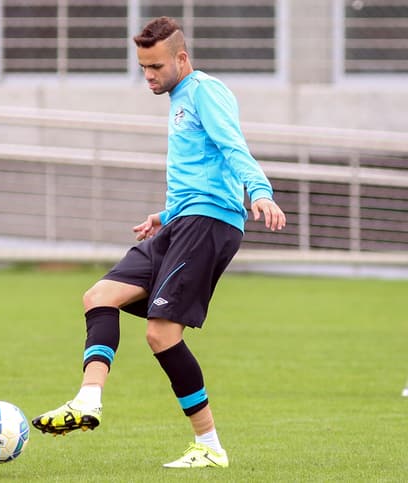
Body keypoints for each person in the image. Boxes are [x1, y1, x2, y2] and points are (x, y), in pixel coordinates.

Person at [32, 16, 286, 469]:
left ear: (181, 58)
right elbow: (200, 168)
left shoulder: (205, 91)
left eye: (156, 67)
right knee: (99, 296)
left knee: (161, 333)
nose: (148, 76)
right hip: (181, 222)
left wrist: (260, 191)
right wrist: (164, 216)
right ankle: (88, 401)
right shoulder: (177, 98)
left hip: (209, 223)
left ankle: (209, 446)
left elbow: (233, 148)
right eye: (143, 67)